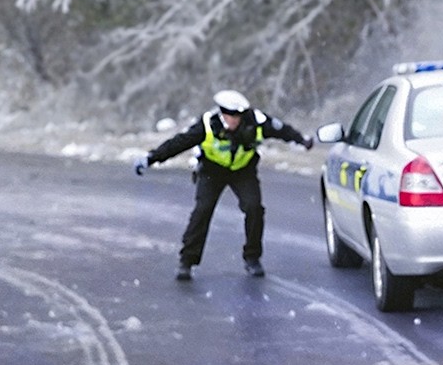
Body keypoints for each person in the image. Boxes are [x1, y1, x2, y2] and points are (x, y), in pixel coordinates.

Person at [134, 90, 313, 281]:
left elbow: (282, 130)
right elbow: (179, 143)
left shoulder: (257, 121)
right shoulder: (208, 124)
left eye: (237, 116)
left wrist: (302, 140)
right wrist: (151, 158)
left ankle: (252, 258)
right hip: (212, 171)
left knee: (254, 208)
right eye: (230, 116)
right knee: (202, 211)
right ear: (222, 113)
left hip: (243, 171)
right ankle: (187, 261)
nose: (234, 121)